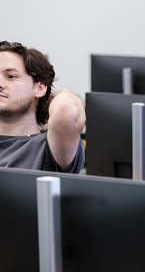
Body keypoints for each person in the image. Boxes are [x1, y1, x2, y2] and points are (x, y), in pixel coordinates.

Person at [0, 41, 85, 173]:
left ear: (39, 88)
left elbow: (65, 108)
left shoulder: (47, 147)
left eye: (11, 76)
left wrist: (61, 93)